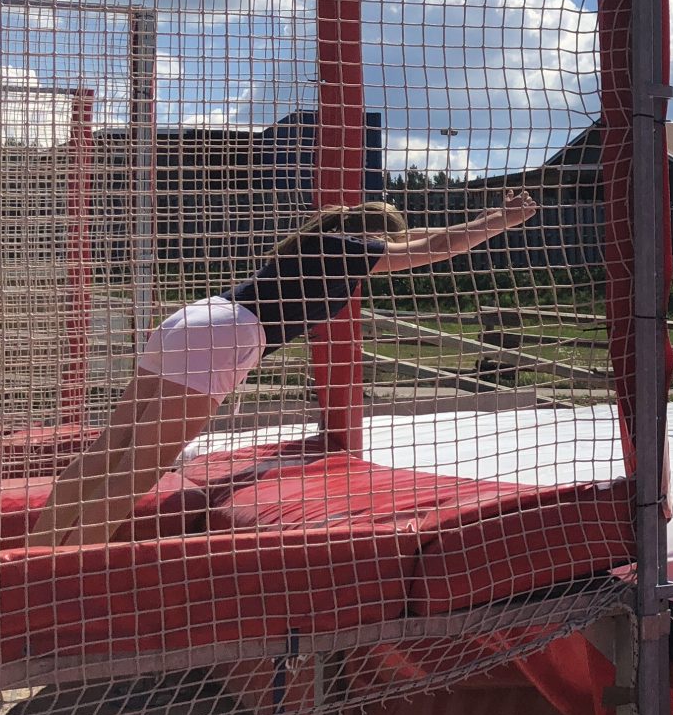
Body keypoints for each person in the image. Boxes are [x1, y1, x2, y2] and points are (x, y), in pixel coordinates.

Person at [30, 192, 539, 549]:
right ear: (378, 237)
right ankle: (68, 572)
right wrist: (500, 223)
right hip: (229, 335)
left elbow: (421, 236)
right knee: (140, 466)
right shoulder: (349, 250)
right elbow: (433, 248)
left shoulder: (326, 241)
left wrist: (487, 214)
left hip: (192, 319)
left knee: (111, 448)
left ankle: (37, 551)